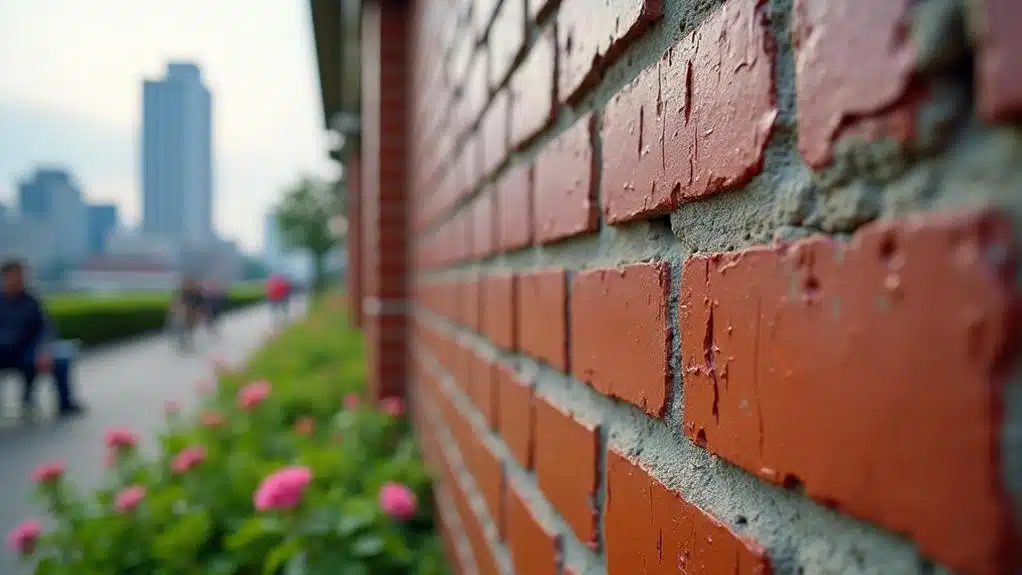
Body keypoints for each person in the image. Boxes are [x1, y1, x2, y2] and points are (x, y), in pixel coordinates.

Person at [0, 258, 85, 418]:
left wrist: (44, 349)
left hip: (27, 351)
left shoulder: (31, 300)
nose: (21, 279)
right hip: (3, 351)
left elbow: (45, 329)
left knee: (60, 359)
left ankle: (65, 405)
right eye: (16, 275)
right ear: (6, 276)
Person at [171, 277, 205, 349]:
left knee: (189, 330)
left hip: (192, 315)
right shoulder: (181, 292)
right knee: (181, 329)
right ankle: (183, 343)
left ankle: (187, 343)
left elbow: (200, 305)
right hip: (182, 314)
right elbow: (176, 303)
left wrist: (199, 314)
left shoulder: (197, 293)